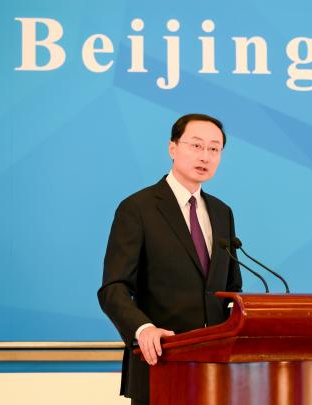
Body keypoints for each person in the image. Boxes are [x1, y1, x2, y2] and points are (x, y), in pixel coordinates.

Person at [97, 113, 243, 405]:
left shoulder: (221, 212)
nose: (205, 156)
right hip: (161, 363)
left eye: (214, 149)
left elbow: (231, 288)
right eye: (196, 145)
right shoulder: (138, 208)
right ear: (172, 148)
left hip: (216, 371)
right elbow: (113, 288)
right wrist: (143, 329)